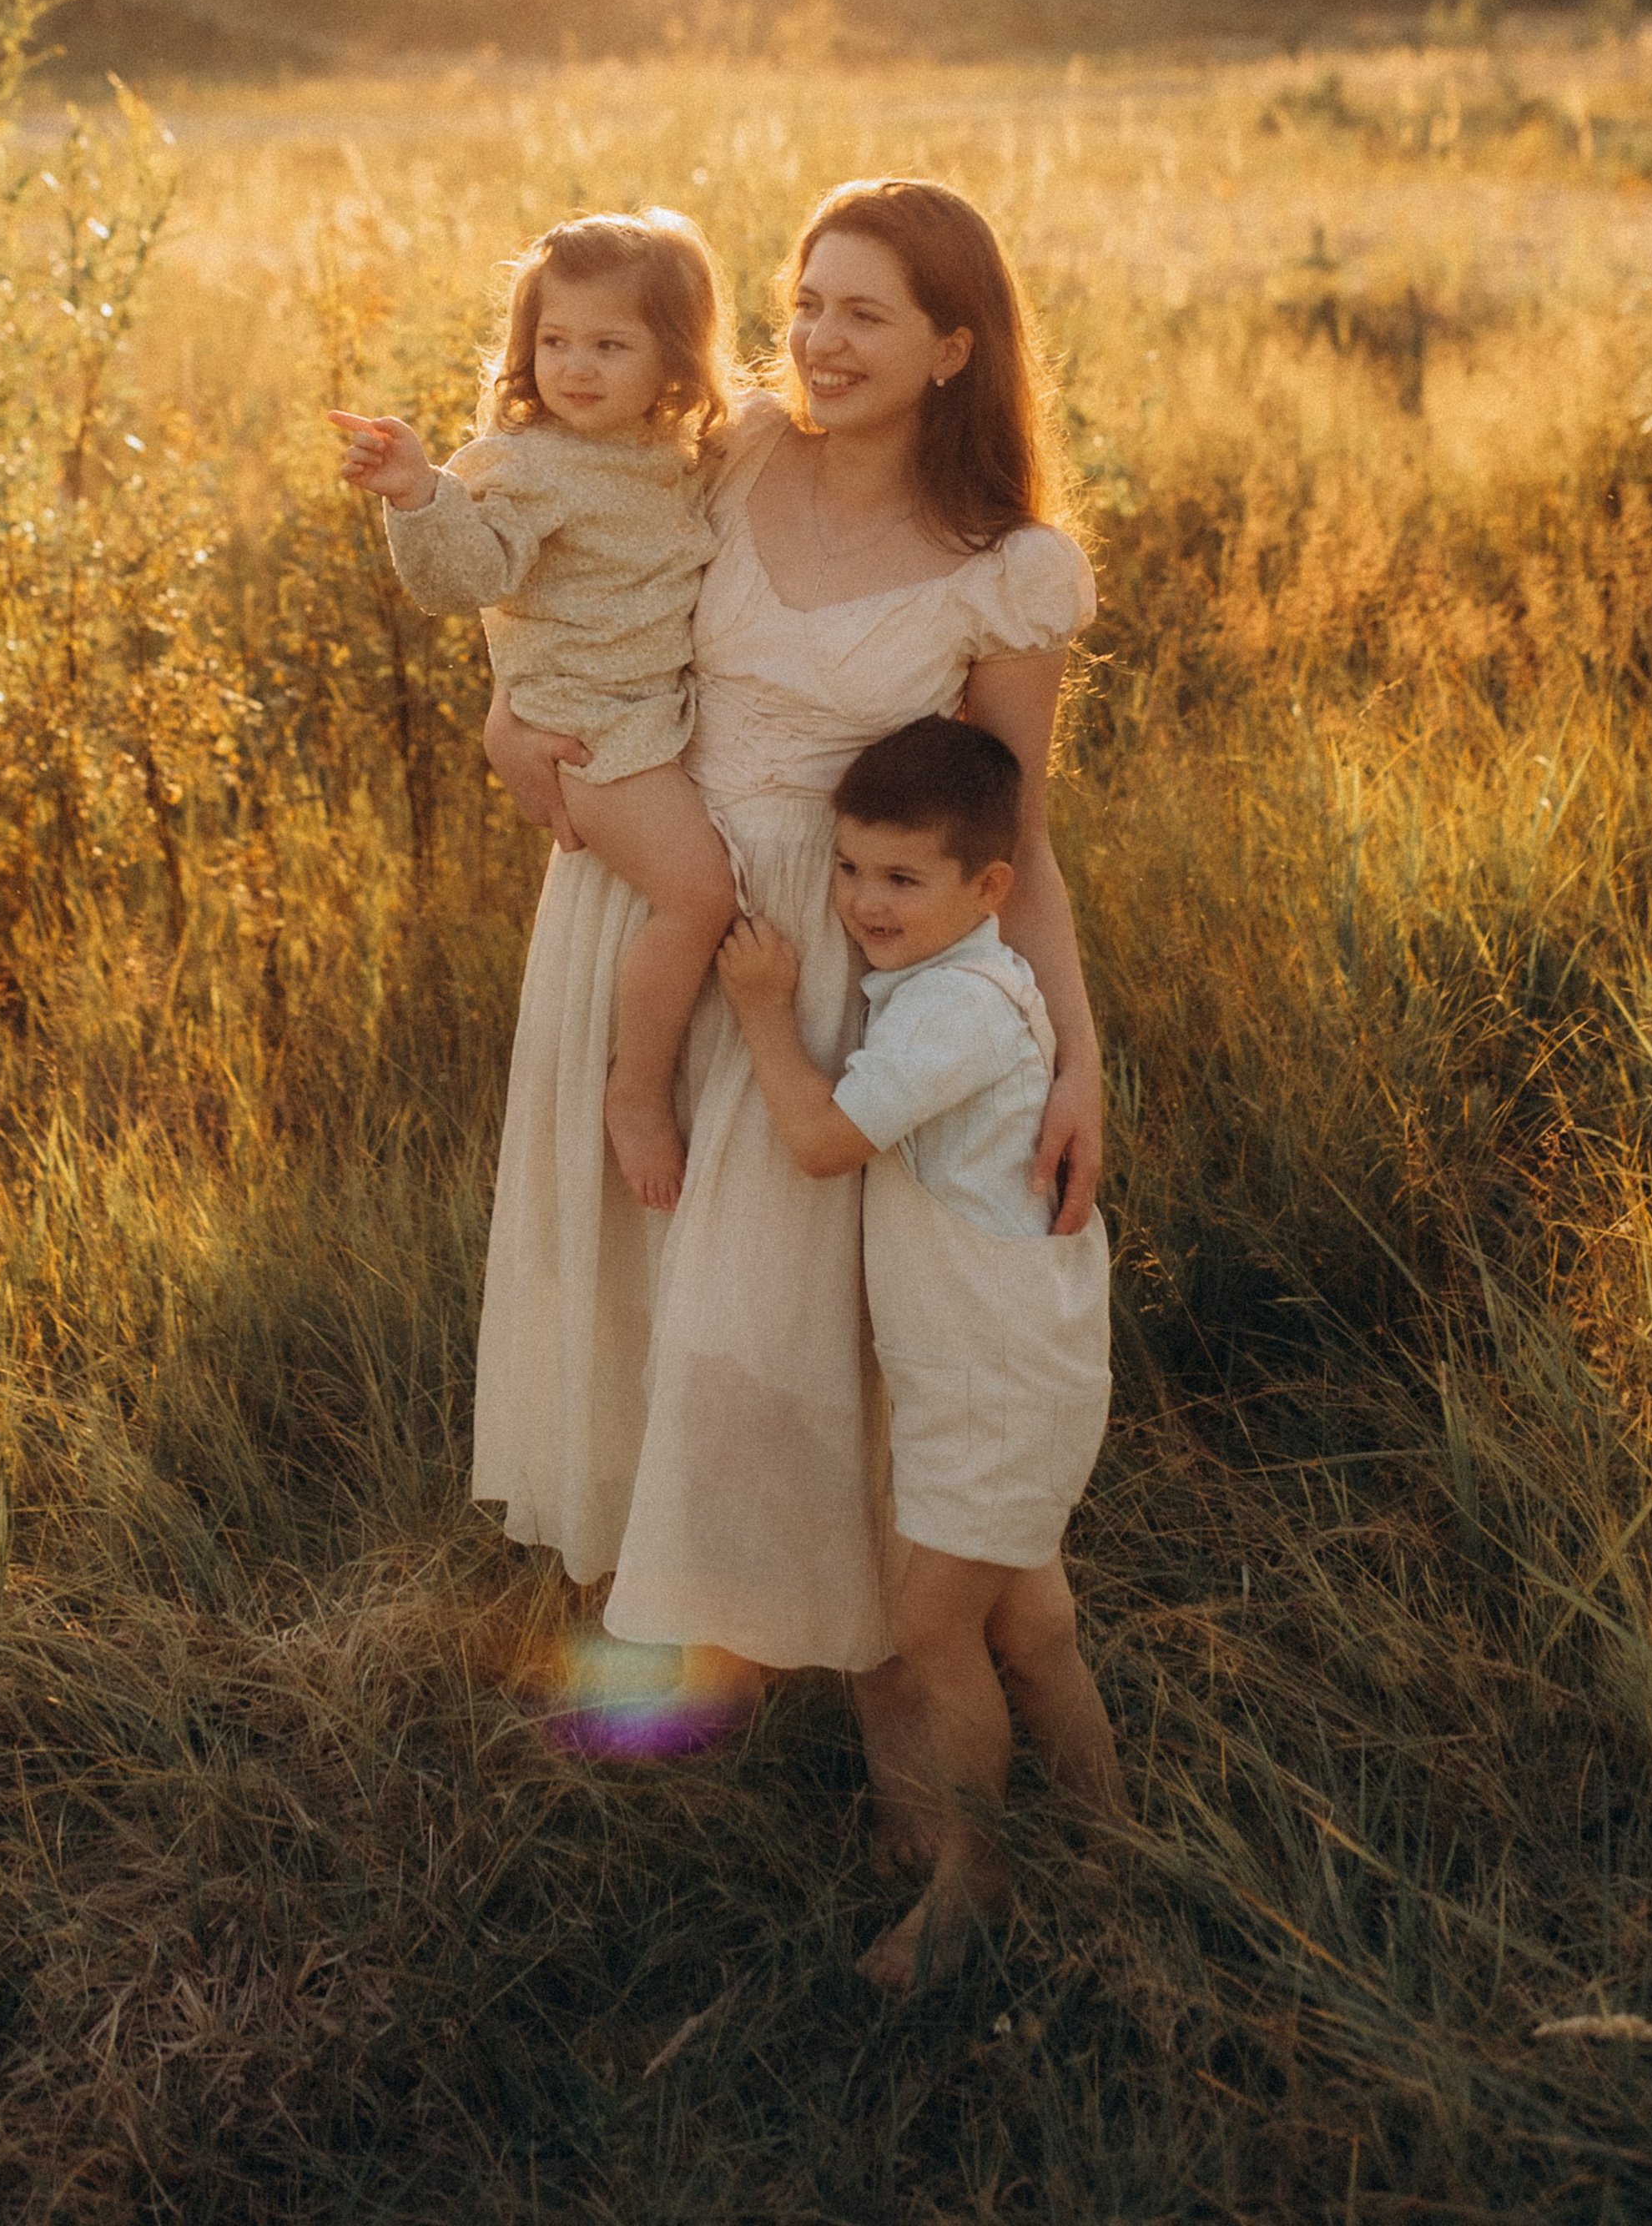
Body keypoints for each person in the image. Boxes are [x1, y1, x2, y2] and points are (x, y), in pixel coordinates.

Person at [476, 176, 1106, 1770]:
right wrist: (505, 726)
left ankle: (874, 1661)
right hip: (646, 913)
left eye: (866, 313)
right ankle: (697, 1682)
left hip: (826, 968)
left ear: (956, 346)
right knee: (650, 1290)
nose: (818, 341)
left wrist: (1076, 1057)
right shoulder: (732, 445)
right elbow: (569, 580)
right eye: (807, 302)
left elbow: (1009, 841)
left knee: (781, 1323)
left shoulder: (1004, 567)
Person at [717, 715, 1121, 1987]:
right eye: (848, 869)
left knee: (932, 1623)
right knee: (1036, 1628)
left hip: (993, 1386)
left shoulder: (953, 1016)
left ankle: (973, 1881)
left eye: (900, 878)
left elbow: (826, 1141)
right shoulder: (967, 980)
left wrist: (767, 1017)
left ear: (987, 888)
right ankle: (1113, 1851)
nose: (861, 902)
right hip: (1013, 1373)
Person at [332, 210, 739, 1207]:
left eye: (609, 344)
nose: (576, 367)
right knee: (699, 897)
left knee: (697, 895)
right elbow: (465, 578)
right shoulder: (523, 463)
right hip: (592, 733)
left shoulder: (670, 450)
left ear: (673, 363)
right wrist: (420, 494)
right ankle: (635, 1091)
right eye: (555, 342)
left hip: (653, 713)